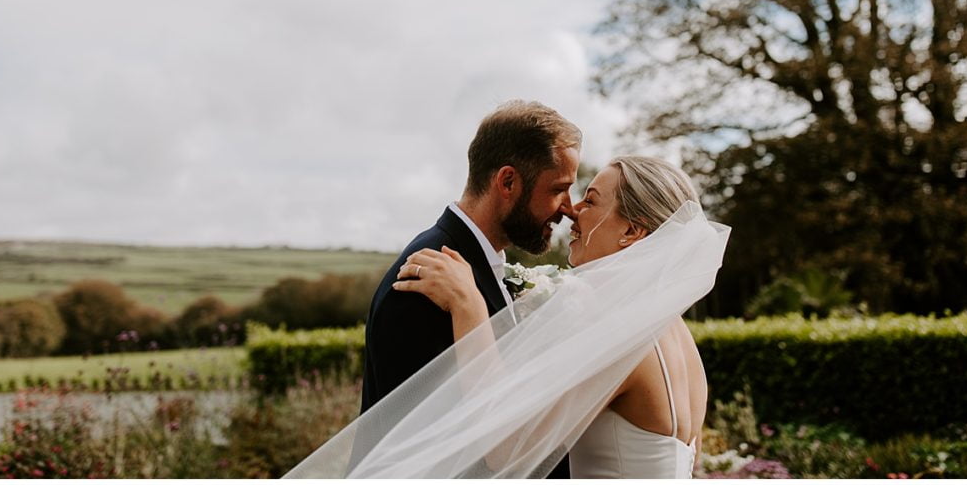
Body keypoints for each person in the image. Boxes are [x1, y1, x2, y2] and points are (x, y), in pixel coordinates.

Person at [283, 154, 727, 479]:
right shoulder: (676, 335)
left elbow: (506, 448)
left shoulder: (619, 334)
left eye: (590, 200)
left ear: (632, 231)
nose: (572, 211)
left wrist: (469, 307)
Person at [358, 99, 581, 478]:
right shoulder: (425, 281)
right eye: (559, 189)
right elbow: (426, 451)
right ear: (508, 182)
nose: (568, 208)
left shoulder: (476, 268)